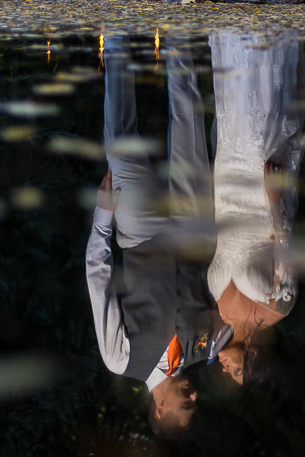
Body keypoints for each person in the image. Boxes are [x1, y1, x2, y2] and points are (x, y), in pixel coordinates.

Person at [86, 35, 230, 436]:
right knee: (189, 118)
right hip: (192, 230)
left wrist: (102, 219)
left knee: (120, 137)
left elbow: (99, 281)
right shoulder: (207, 348)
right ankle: (179, 35)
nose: (194, 398)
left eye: (187, 407)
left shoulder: (121, 361)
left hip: (139, 233)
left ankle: (115, 34)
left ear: (162, 410)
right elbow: (237, 316)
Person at [205, 29, 305, 384]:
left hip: (226, 191)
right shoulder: (278, 306)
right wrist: (275, 200)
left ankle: (232, 32)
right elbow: (286, 247)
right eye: (235, 370)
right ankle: (264, 35)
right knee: (258, 116)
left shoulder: (220, 315)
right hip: (260, 198)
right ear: (252, 354)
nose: (225, 367)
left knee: (233, 114)